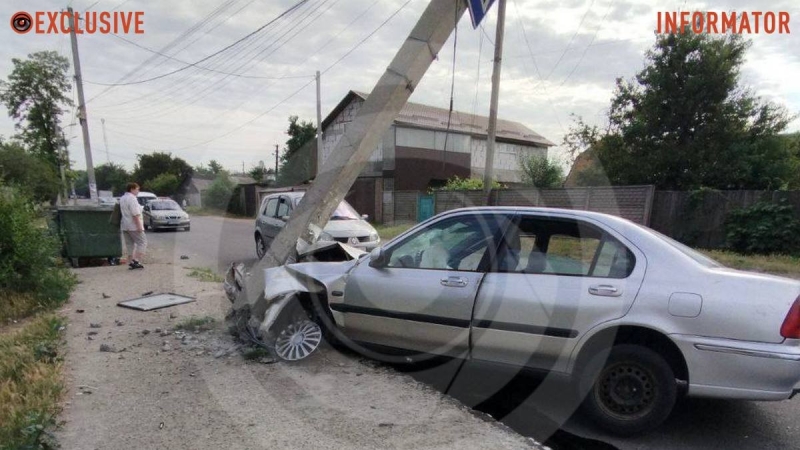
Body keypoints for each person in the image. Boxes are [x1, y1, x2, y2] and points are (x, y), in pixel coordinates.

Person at [120, 182, 147, 270]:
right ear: (132, 189)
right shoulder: (132, 199)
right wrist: (139, 226)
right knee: (142, 242)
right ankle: (136, 260)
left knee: (129, 244)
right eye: (137, 189)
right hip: (133, 225)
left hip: (125, 225)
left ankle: (131, 261)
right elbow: (135, 214)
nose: (138, 191)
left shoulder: (122, 198)